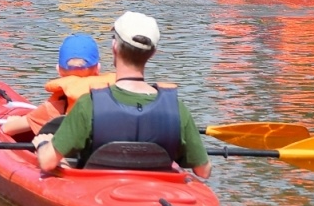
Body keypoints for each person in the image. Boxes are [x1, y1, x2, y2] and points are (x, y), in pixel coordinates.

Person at [34, 12, 211, 178]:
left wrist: (42, 143)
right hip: (156, 195)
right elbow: (203, 171)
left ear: (114, 47)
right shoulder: (176, 108)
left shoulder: (89, 105)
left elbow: (48, 162)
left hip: (98, 192)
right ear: (153, 53)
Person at [0, 34, 111, 139]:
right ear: (98, 68)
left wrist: (12, 121)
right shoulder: (115, 98)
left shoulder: (54, 108)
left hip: (70, 157)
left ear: (58, 70)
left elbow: (7, 129)